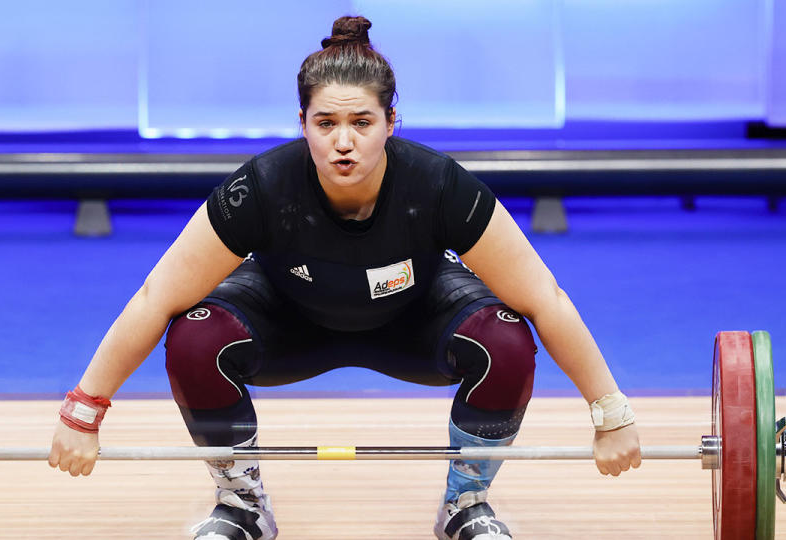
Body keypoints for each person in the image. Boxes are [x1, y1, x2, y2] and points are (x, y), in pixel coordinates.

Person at [48, 15, 641, 540]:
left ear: (392, 122)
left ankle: (466, 502)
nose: (344, 141)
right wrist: (83, 411)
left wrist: (610, 414)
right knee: (196, 334)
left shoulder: (439, 185)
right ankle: (244, 504)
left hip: (413, 321)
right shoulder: (261, 187)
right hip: (289, 318)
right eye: (326, 122)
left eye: (362, 121)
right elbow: (156, 296)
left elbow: (546, 298)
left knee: (506, 339)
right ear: (302, 122)